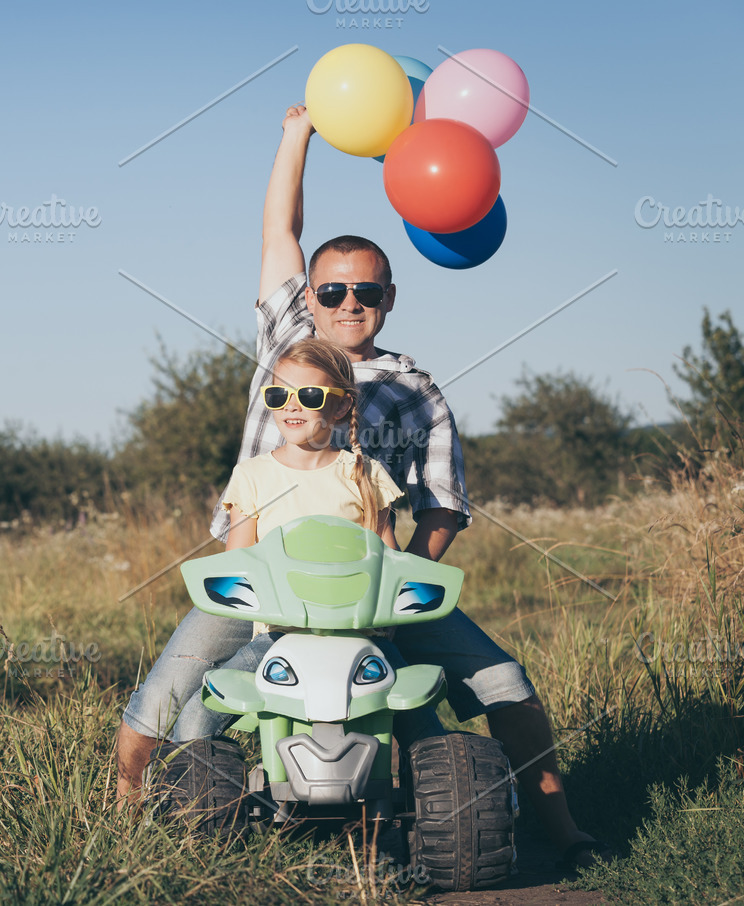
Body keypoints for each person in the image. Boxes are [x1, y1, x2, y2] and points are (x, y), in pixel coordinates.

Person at [115, 104, 609, 870]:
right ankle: (137, 836)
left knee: (502, 681)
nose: (349, 304)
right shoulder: (287, 345)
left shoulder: (416, 391)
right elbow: (281, 231)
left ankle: (556, 827)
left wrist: (400, 579)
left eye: (366, 292)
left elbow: (443, 504)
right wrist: (296, 136)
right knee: (172, 697)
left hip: (372, 583)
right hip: (260, 590)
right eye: (335, 290)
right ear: (310, 298)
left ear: (389, 299)